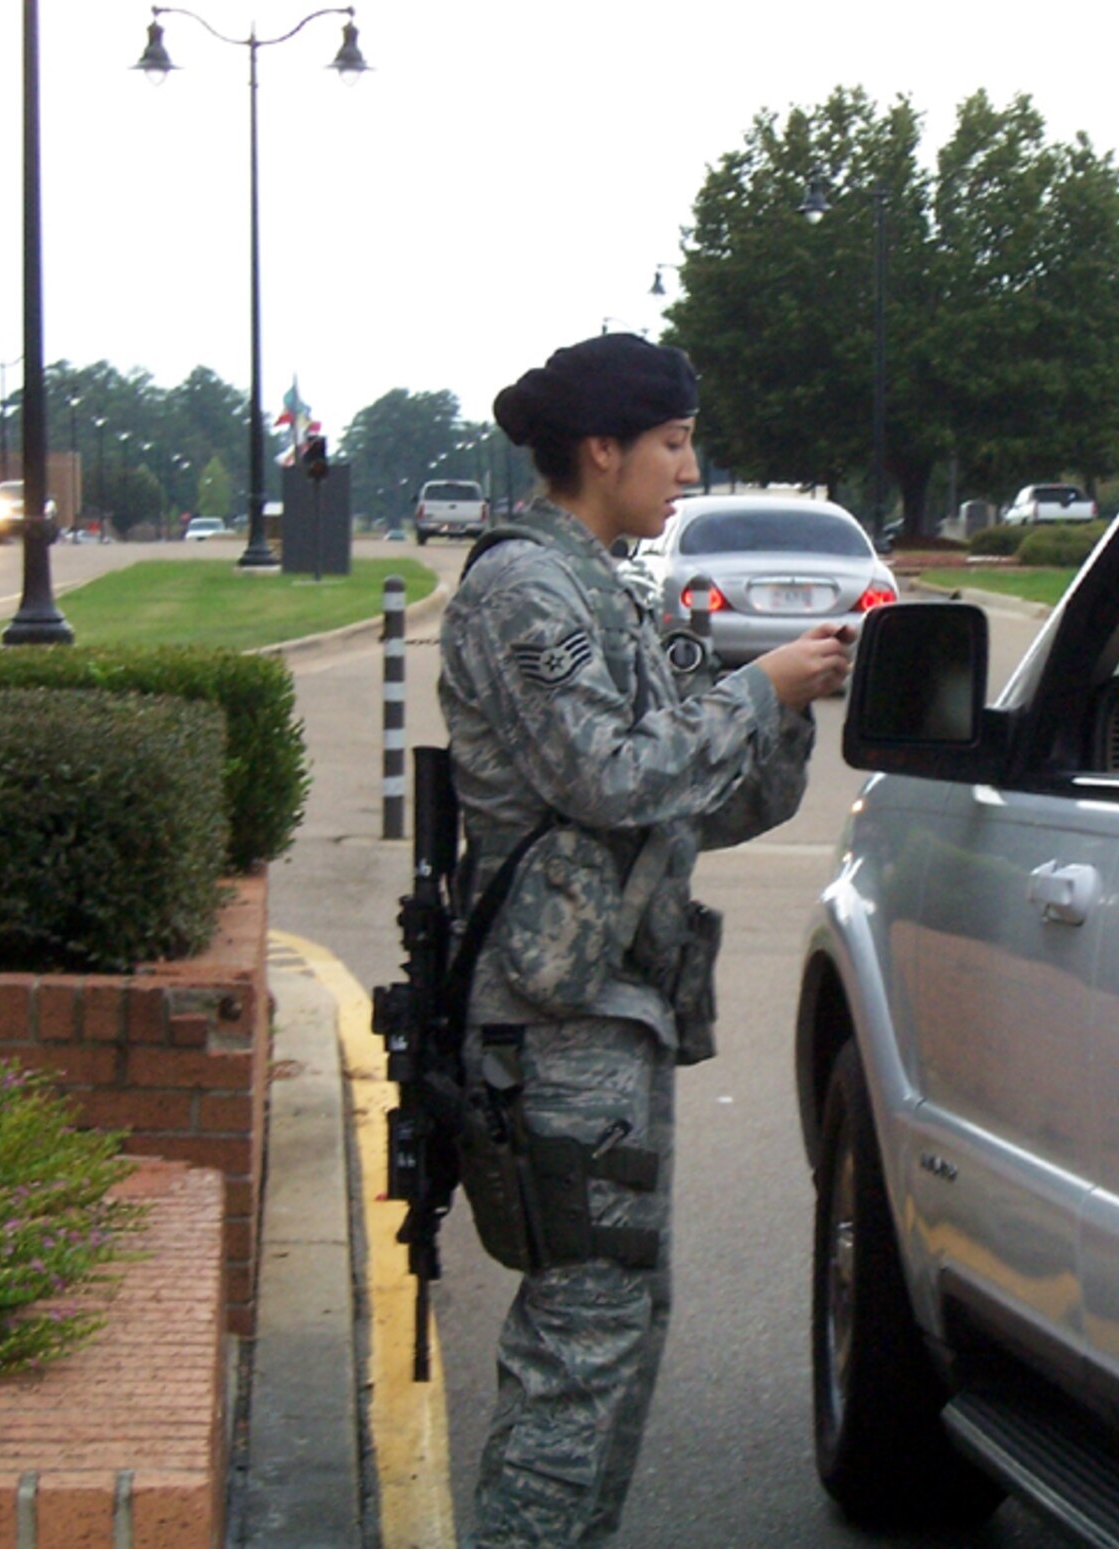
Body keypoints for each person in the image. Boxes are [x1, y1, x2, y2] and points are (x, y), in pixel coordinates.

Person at [439, 333, 852, 1547]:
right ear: (601, 448)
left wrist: (789, 704)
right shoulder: (523, 588)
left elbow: (708, 800)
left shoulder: (606, 584)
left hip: (607, 1012)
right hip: (551, 1024)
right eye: (671, 444)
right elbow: (610, 775)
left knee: (616, 1324)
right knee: (580, 1337)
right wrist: (753, 689)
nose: (687, 467)